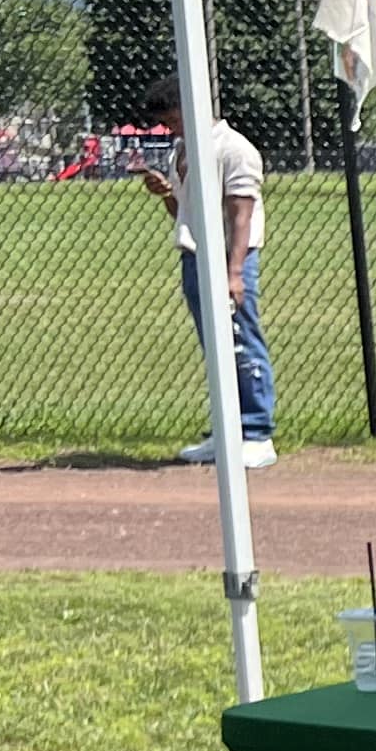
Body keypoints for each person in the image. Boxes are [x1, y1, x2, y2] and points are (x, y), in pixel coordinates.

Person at [138, 82, 272, 468]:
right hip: (196, 254)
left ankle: (258, 432)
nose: (171, 128)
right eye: (165, 123)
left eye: (174, 119)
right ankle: (227, 430)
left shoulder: (233, 149)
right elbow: (187, 212)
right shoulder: (183, 151)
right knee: (215, 347)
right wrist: (166, 193)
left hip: (230, 258)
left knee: (241, 342)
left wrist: (234, 273)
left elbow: (241, 214)